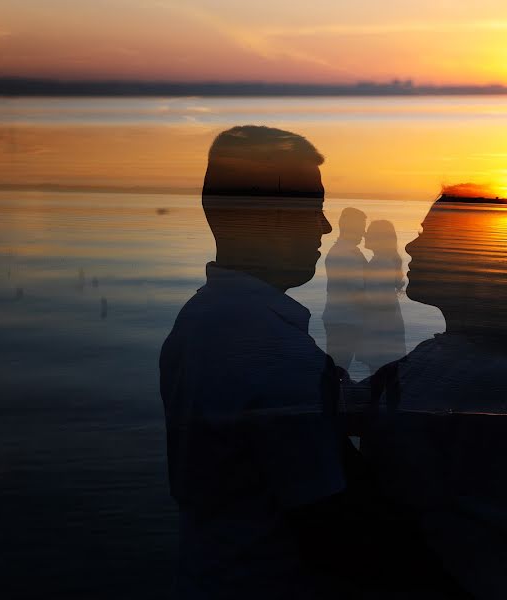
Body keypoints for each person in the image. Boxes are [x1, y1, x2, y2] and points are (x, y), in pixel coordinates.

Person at [159, 126, 352, 599]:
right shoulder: (271, 350)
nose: (326, 226)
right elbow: (328, 525)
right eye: (314, 206)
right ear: (271, 219)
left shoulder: (199, 320)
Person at [361, 188, 507, 599]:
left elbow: (474, 532)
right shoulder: (435, 357)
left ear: (473, 257)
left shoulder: (490, 377)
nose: (411, 245)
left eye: (430, 234)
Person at [323, 207, 368, 370]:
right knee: (338, 368)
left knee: (336, 368)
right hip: (344, 322)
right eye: (362, 227)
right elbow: (357, 292)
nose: (364, 232)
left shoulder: (347, 251)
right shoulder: (347, 255)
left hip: (341, 319)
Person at [358, 220, 406, 373]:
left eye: (369, 232)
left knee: (380, 369)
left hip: (381, 325)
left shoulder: (380, 263)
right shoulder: (382, 260)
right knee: (386, 370)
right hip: (385, 322)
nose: (365, 235)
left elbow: (377, 298)